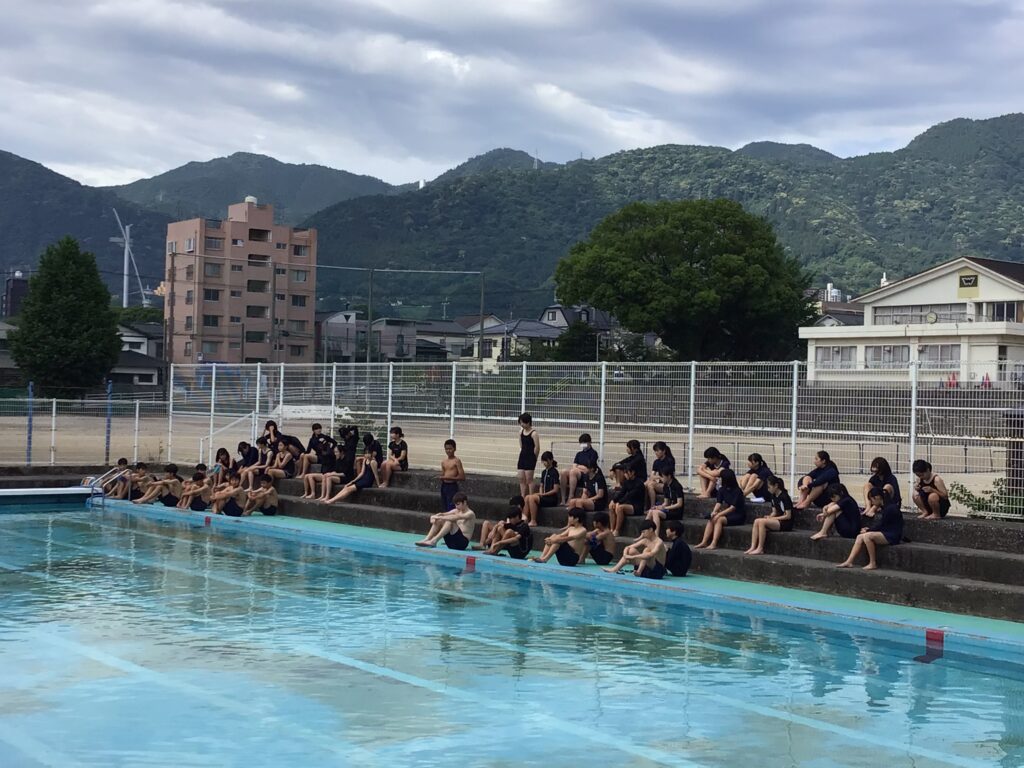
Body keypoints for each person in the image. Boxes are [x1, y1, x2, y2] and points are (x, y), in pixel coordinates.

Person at [838, 488, 904, 570]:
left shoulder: (890, 508)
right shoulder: (886, 507)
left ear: (877, 497)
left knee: (867, 536)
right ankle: (849, 561)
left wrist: (868, 530)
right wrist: (869, 529)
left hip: (893, 535)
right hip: (886, 531)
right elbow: (882, 525)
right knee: (860, 536)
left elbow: (882, 525)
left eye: (871, 500)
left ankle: (872, 562)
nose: (872, 503)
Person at [694, 468, 745, 550]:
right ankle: (704, 541)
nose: (719, 480)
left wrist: (719, 514)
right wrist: (714, 512)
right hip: (728, 513)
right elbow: (718, 503)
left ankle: (714, 543)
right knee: (712, 518)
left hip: (738, 514)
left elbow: (732, 508)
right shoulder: (722, 489)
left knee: (719, 519)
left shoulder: (737, 491)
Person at [746, 475, 793, 555]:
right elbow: (774, 512)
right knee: (757, 521)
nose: (768, 489)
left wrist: (773, 519)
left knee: (762, 522)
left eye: (769, 487)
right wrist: (769, 516)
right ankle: (753, 546)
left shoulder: (785, 497)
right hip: (778, 520)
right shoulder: (773, 496)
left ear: (776, 486)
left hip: (786, 523)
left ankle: (760, 548)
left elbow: (788, 516)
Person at [560, 433, 598, 504]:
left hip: (585, 475)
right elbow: (574, 466)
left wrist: (578, 466)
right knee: (563, 472)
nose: (583, 445)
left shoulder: (593, 453)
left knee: (573, 472)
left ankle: (571, 496)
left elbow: (588, 469)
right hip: (578, 472)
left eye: (584, 443)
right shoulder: (579, 454)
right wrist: (581, 467)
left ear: (589, 442)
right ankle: (563, 498)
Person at [608, 465, 645, 536]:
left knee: (620, 508)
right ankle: (612, 529)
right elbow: (621, 493)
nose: (625, 475)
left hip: (637, 506)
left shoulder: (639, 483)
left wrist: (619, 502)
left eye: (627, 472)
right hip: (628, 503)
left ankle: (617, 530)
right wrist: (613, 501)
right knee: (611, 506)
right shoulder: (626, 482)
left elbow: (630, 495)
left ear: (632, 472)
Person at [524, 451, 560, 526]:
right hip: (544, 495)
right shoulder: (543, 472)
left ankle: (533, 520)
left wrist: (544, 494)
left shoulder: (554, 472)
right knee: (527, 497)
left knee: (532, 498)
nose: (544, 463)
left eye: (546, 461)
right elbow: (541, 486)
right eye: (543, 461)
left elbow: (555, 489)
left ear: (551, 460)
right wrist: (540, 493)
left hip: (551, 498)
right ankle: (525, 519)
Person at [646, 469, 684, 535]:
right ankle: (644, 532)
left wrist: (665, 508)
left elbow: (679, 504)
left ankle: (656, 535)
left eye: (662, 477)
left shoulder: (677, 486)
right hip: (668, 510)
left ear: (669, 476)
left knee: (655, 513)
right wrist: (658, 507)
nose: (661, 479)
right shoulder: (665, 486)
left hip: (676, 512)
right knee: (651, 511)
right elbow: (666, 503)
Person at [516, 413, 540, 498]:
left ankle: (531, 496)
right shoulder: (521, 432)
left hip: (530, 457)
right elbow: (521, 444)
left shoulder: (534, 433)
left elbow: (537, 447)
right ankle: (523, 496)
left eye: (523, 422)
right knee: (521, 478)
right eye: (520, 423)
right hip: (522, 456)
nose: (521, 424)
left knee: (529, 479)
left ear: (528, 422)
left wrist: (534, 458)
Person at [645, 441, 676, 508]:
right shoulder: (656, 462)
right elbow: (652, 476)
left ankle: (652, 507)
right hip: (661, 484)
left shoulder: (670, 460)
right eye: (655, 451)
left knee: (650, 484)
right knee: (647, 484)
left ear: (663, 451)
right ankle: (649, 506)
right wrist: (658, 477)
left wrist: (657, 477)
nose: (656, 453)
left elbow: (670, 477)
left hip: (668, 485)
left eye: (657, 451)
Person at [439, 439, 466, 511]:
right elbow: (443, 474)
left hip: (452, 486)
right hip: (444, 486)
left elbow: (462, 477)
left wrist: (449, 478)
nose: (448, 451)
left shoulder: (457, 461)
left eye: (450, 449)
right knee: (444, 505)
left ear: (454, 449)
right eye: (446, 449)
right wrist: (442, 477)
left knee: (452, 507)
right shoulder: (443, 461)